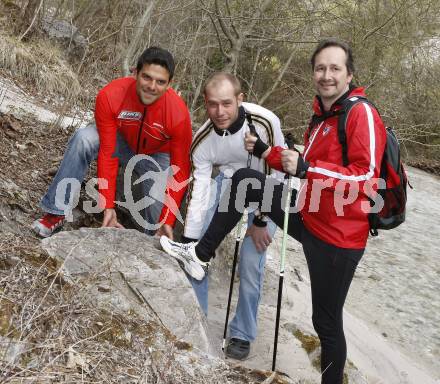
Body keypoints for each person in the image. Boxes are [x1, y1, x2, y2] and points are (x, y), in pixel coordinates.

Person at [160, 38, 386, 383]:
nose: (326, 75)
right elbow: (292, 165)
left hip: (339, 238)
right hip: (308, 215)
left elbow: (367, 177)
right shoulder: (322, 117)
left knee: (325, 322)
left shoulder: (361, 113)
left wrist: (301, 173)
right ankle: (199, 253)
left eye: (334, 68)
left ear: (349, 74)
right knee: (246, 180)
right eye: (320, 68)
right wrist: (269, 152)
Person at [164, 72, 285, 360]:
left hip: (268, 189)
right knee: (196, 249)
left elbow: (277, 172)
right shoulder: (204, 139)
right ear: (205, 103)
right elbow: (201, 190)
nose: (220, 112)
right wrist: (193, 239)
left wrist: (259, 220)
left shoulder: (266, 121)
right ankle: (198, 318)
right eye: (213, 105)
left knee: (251, 260)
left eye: (227, 104)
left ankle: (242, 334)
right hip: (228, 183)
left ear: (240, 100)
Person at [32, 46, 192, 239]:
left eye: (160, 82)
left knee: (159, 222)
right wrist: (107, 206)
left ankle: (151, 242)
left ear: (169, 84)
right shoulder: (110, 95)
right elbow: (108, 153)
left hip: (156, 155)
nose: (152, 86)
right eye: (146, 77)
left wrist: (167, 220)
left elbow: (180, 170)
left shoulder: (178, 113)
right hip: (120, 142)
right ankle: (55, 213)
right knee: (84, 139)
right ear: (135, 72)